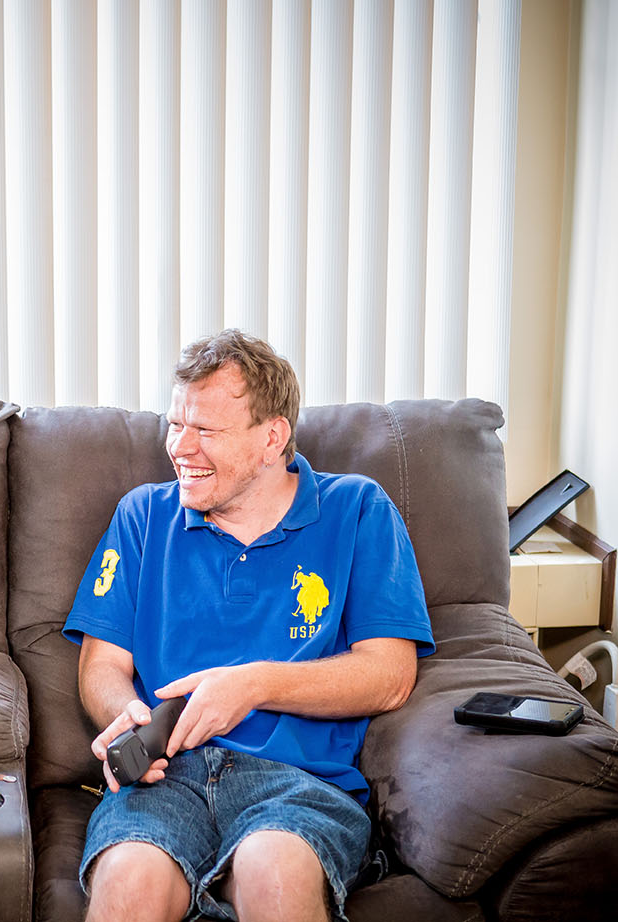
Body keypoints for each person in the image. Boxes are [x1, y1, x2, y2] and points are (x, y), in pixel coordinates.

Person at [64, 329, 434, 922]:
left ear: (272, 438)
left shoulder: (358, 510)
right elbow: (102, 663)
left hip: (297, 783)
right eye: (175, 424)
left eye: (205, 430)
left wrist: (254, 685)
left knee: (273, 873)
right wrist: (124, 720)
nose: (180, 447)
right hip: (164, 781)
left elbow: (390, 674)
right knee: (129, 882)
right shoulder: (142, 516)